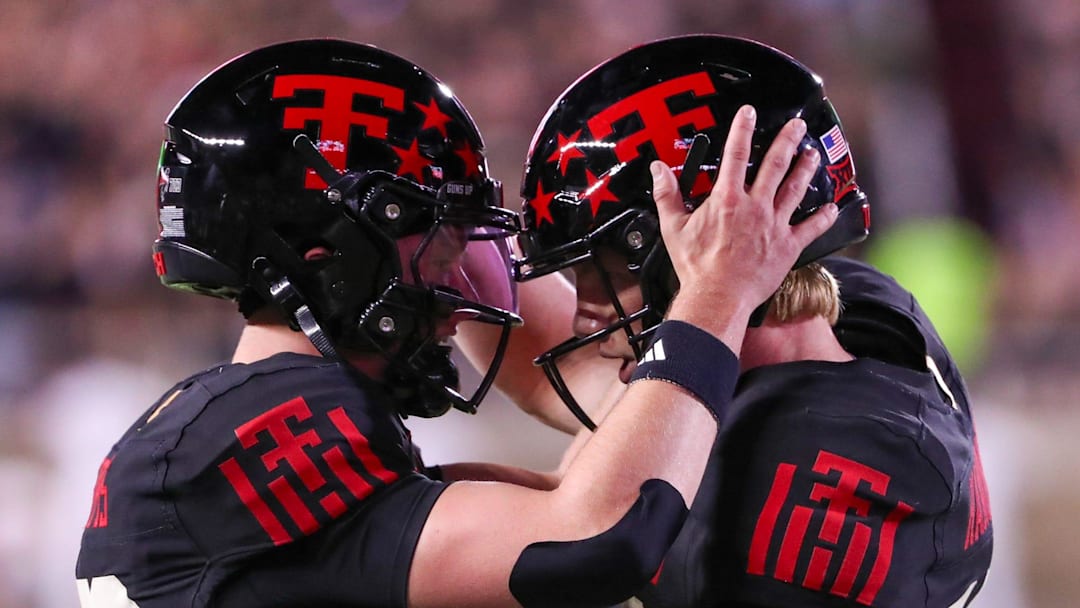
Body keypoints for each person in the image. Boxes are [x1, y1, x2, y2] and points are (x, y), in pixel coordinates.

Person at [74, 38, 837, 607]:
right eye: (437, 236)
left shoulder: (237, 420)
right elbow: (596, 538)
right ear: (325, 253)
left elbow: (586, 484)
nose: (462, 274)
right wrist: (718, 294)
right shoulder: (277, 420)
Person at [461, 35, 993, 607]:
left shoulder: (805, 489)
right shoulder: (861, 310)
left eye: (605, 271)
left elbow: (570, 527)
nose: (582, 309)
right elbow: (557, 368)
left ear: (715, 244)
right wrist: (444, 220)